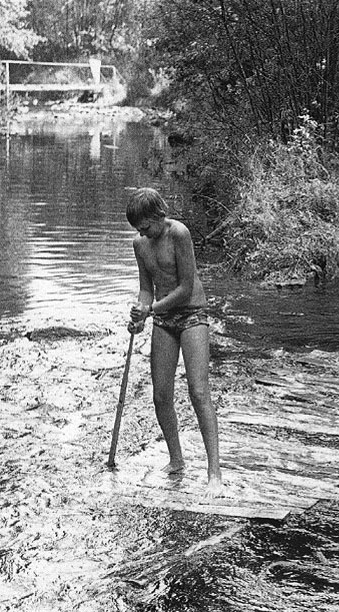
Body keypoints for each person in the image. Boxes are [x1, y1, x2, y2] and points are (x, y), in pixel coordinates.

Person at [126, 187, 222, 495]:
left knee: (198, 391)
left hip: (193, 313)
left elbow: (185, 286)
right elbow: (146, 288)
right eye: (139, 229)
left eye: (145, 226)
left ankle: (214, 472)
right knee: (161, 396)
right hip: (164, 320)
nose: (143, 232)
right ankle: (176, 460)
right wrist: (141, 309)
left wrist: (151, 309)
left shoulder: (178, 233)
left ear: (158, 215)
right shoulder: (140, 244)